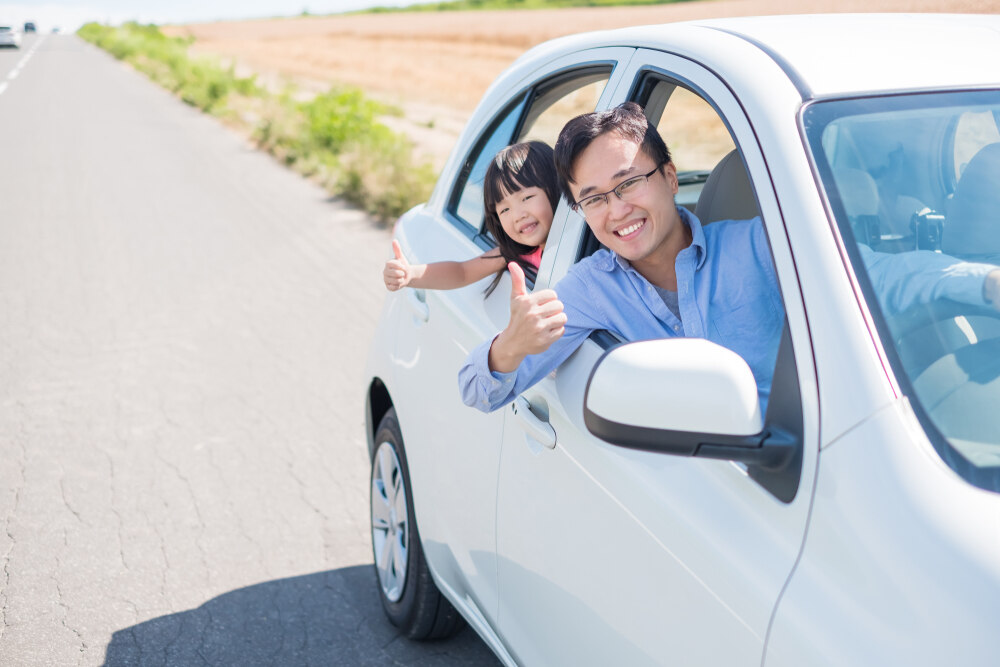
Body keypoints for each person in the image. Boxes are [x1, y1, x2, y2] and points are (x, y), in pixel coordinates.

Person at [459, 102, 1000, 413]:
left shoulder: (758, 246)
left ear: (670, 178)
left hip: (798, 475)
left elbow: (877, 278)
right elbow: (475, 391)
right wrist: (510, 348)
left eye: (628, 184)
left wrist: (981, 284)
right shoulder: (588, 289)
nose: (616, 210)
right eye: (593, 199)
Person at [383, 141, 558, 297]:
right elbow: (462, 272)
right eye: (504, 209)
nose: (518, 215)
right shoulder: (517, 253)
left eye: (526, 198)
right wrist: (411, 274)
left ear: (556, 187)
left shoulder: (582, 242)